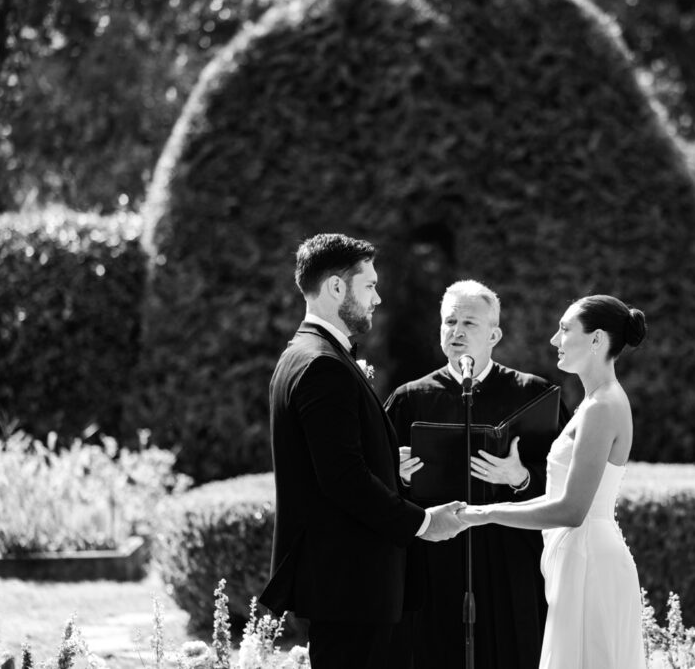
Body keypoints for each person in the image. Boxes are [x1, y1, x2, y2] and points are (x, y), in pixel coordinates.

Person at [259, 233, 465, 669]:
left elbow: (328, 464)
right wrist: (425, 522)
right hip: (352, 584)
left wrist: (387, 464)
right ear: (336, 287)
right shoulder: (323, 365)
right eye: (369, 285)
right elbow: (343, 479)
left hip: (346, 584)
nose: (377, 298)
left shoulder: (302, 355)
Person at [385, 280, 568, 669]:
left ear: (494, 335)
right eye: (450, 322)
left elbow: (567, 480)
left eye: (469, 322)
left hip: (509, 555)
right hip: (435, 557)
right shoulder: (409, 398)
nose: (457, 331)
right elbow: (372, 483)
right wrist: (398, 475)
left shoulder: (533, 394)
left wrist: (521, 477)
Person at [458, 294, 649, 669]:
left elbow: (571, 510)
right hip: (579, 558)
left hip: (590, 562)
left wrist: (485, 515)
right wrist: (481, 511)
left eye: (564, 330)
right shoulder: (594, 402)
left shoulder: (601, 407)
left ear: (596, 339)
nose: (554, 340)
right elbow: (558, 496)